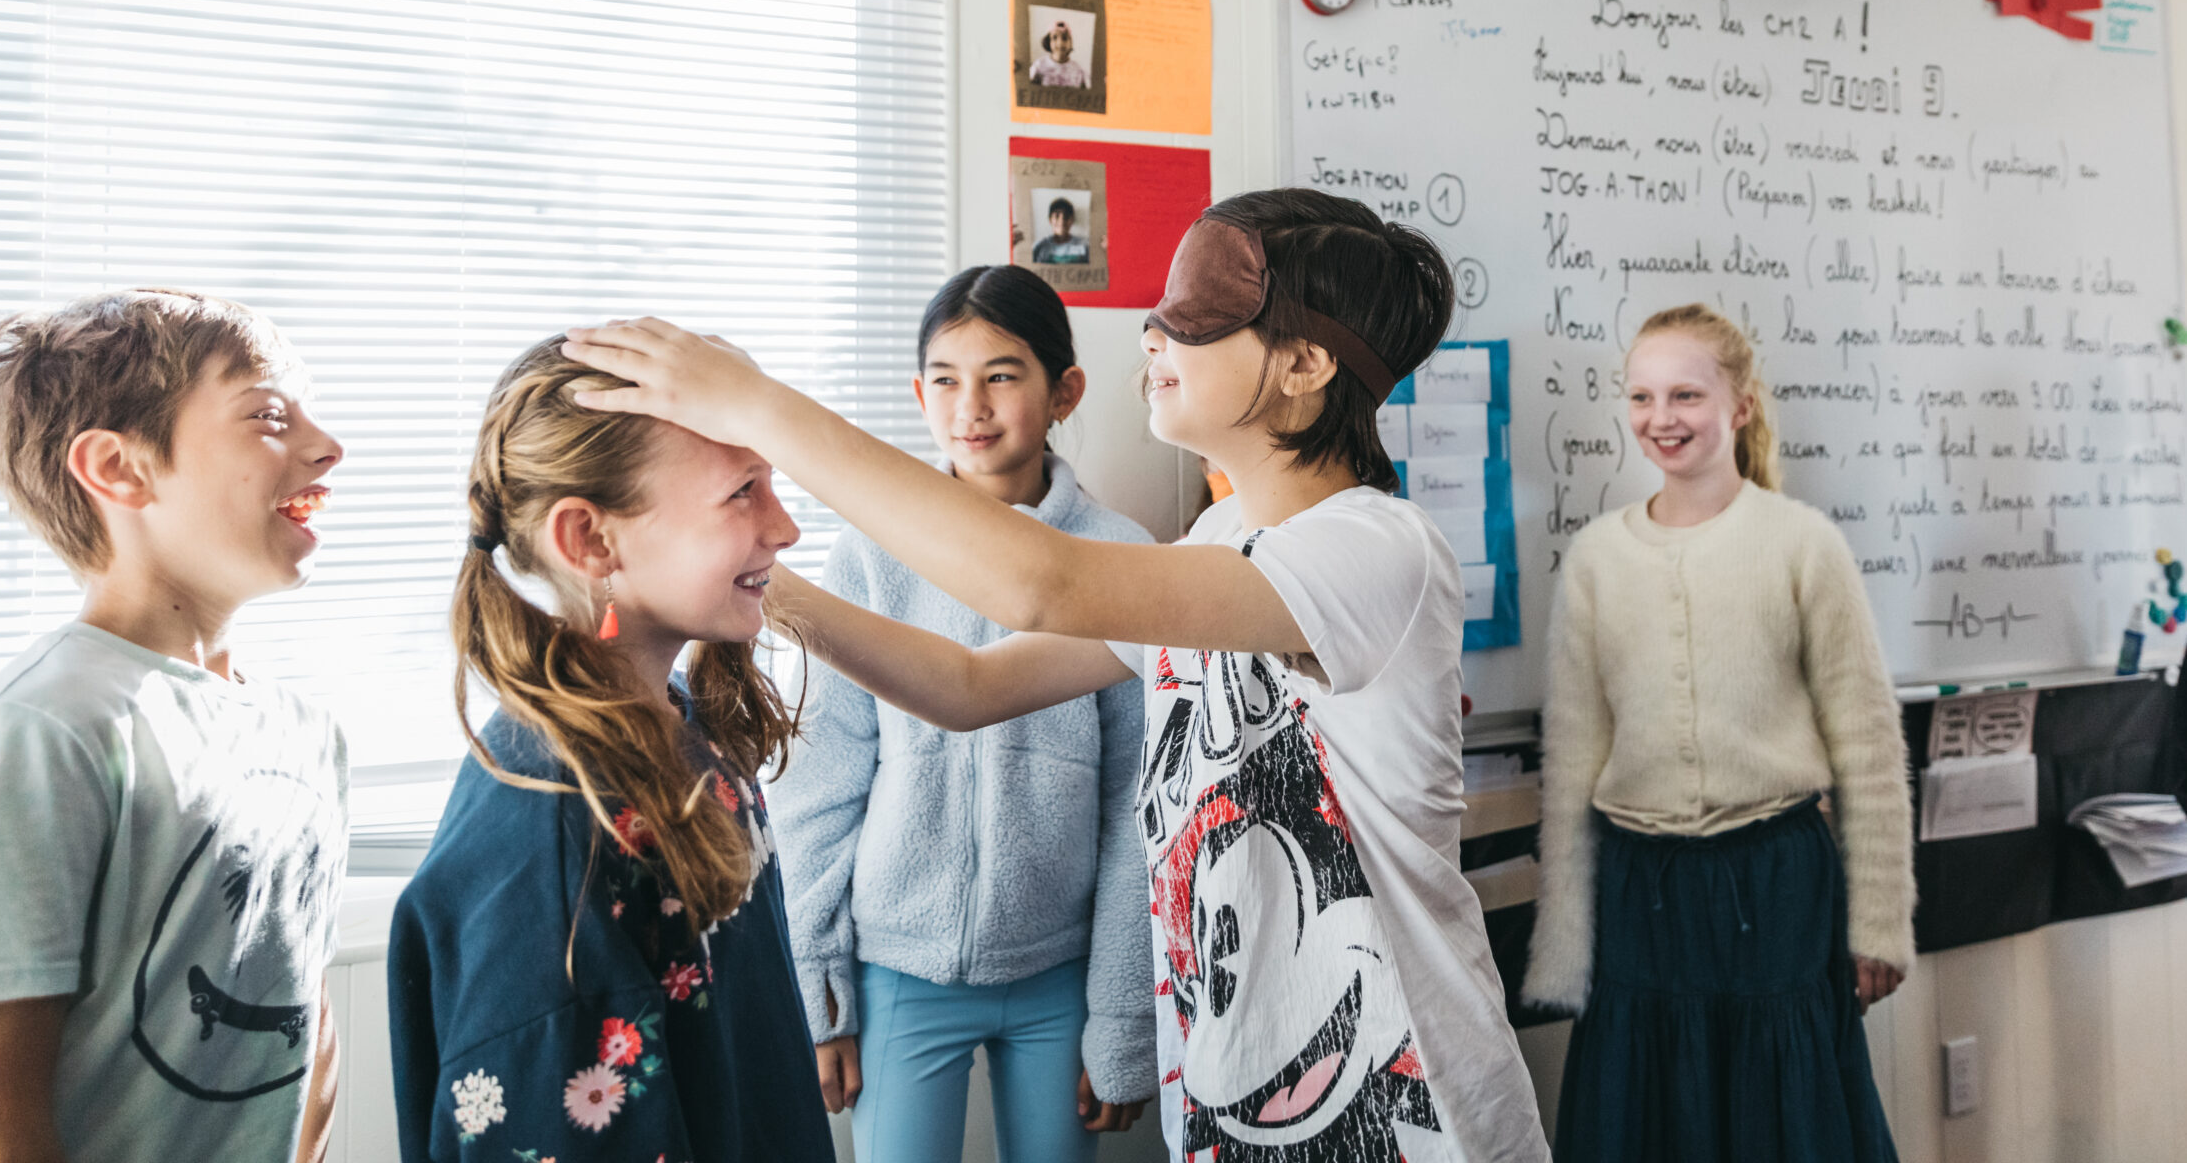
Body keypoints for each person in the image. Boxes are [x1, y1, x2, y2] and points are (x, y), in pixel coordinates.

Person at [560, 189, 1552, 1162]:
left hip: (1414, 1105)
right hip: (1248, 1103)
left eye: (1197, 315)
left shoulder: (1373, 548)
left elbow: (1042, 582)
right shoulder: (1215, 541)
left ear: (1302, 362)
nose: (1155, 334)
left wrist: (757, 407)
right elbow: (964, 683)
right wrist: (759, 580)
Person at [385, 336, 832, 1163]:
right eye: (742, 493)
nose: (787, 526)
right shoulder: (556, 845)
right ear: (590, 541)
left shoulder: (676, 724)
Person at [768, 265, 1154, 1161]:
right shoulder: (871, 551)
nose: (970, 406)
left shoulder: (1124, 559)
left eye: (1002, 376)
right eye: (944, 379)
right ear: (918, 393)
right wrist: (820, 983)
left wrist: (1125, 1013)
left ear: (1066, 391)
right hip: (899, 967)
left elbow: (1141, 804)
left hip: (1063, 973)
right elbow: (819, 777)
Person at [1524, 303, 1913, 1163]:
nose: (1661, 420)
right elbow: (1574, 758)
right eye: (1642, 397)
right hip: (1641, 895)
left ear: (1740, 405)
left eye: (1687, 395)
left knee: (1784, 1123)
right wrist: (1564, 944)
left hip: (1775, 888)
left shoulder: (1801, 544)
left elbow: (1869, 748)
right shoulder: (1597, 558)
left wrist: (1880, 922)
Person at [0, 290, 349, 1163]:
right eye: (268, 416)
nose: (327, 446)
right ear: (120, 469)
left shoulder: (308, 731)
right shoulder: (47, 728)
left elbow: (308, 1026)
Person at [1030, 198, 1090, 266]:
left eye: (1066, 216)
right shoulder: (1039, 247)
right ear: (1050, 219)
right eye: (1057, 216)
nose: (1062, 222)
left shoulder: (1085, 245)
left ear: (1072, 220)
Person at [1029, 21, 1089, 89]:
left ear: (1070, 43)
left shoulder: (1078, 70)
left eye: (1064, 38)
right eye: (1054, 38)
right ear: (1049, 42)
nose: (1060, 43)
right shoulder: (1039, 65)